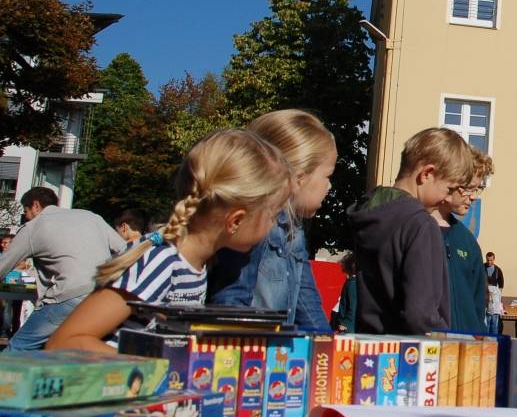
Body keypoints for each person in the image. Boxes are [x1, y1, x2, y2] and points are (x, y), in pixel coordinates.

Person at [47, 129, 291, 353]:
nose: (273, 225)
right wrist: (156, 369)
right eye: (272, 214)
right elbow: (65, 342)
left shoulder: (196, 265)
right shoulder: (160, 263)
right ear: (235, 220)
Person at [207, 110, 335, 331]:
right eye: (327, 176)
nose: (329, 187)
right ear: (299, 177)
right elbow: (229, 305)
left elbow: (308, 307)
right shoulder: (255, 227)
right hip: (250, 356)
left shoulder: (294, 231)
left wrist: (327, 348)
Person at [348, 127, 474, 335]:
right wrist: (446, 343)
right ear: (427, 174)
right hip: (411, 356)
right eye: (449, 189)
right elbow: (421, 314)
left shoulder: (372, 213)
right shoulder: (421, 225)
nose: (447, 199)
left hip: (370, 349)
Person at [0, 187, 128, 351]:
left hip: (69, 294)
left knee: (19, 347)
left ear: (36, 205)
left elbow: (4, 265)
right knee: (65, 347)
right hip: (105, 292)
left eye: (26, 211)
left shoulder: (33, 228)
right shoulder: (90, 216)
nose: (25, 217)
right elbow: (124, 250)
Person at [433, 148, 492, 333]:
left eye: (477, 189)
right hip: (423, 349)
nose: (473, 196)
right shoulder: (415, 231)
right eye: (469, 188)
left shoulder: (467, 241)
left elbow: (478, 302)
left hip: (465, 347)